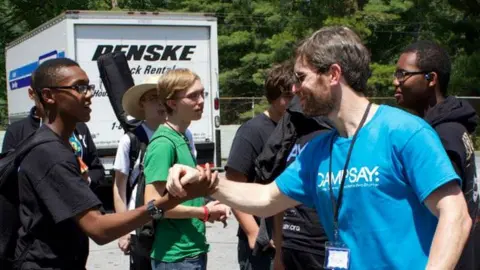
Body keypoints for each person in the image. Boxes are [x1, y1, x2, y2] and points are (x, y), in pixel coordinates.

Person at [166, 26, 472, 270]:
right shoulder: (318, 149)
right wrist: (209, 182)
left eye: (302, 78)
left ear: (334, 74)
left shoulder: (403, 131)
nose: (295, 89)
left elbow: (455, 214)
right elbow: (267, 197)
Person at [13, 58, 215, 270]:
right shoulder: (49, 152)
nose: (89, 94)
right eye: (79, 87)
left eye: (89, 87)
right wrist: (169, 202)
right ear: (48, 96)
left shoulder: (63, 144)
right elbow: (99, 229)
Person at [393, 40, 479, 269]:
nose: (395, 81)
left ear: (431, 79)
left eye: (403, 74)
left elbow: (448, 214)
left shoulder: (444, 136)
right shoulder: (448, 128)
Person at [143, 68, 230, 270]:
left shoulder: (182, 137)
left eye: (202, 93)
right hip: (175, 256)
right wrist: (205, 212)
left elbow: (182, 194)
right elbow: (152, 206)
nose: (201, 101)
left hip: (190, 251)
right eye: (193, 96)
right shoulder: (163, 143)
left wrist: (209, 203)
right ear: (172, 103)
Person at [113, 75, 199, 269]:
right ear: (142, 104)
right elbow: (120, 187)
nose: (159, 104)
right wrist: (124, 230)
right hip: (143, 229)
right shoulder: (131, 140)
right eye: (152, 98)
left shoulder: (185, 135)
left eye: (161, 97)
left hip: (178, 226)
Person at [225, 61, 294, 270]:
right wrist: (254, 233)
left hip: (290, 240)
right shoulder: (251, 132)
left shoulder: (296, 126)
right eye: (287, 97)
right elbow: (233, 186)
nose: (293, 102)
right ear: (272, 97)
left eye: (296, 95)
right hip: (262, 247)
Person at [255, 94, 332, 270]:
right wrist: (280, 252)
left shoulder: (332, 135)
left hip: (324, 246)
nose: (295, 89)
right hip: (293, 243)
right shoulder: (290, 132)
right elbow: (279, 194)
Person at [2, 86, 104, 191]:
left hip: (79, 203)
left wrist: (86, 180)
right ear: (32, 93)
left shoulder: (79, 126)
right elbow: (7, 177)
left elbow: (97, 170)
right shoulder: (16, 130)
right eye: (46, 94)